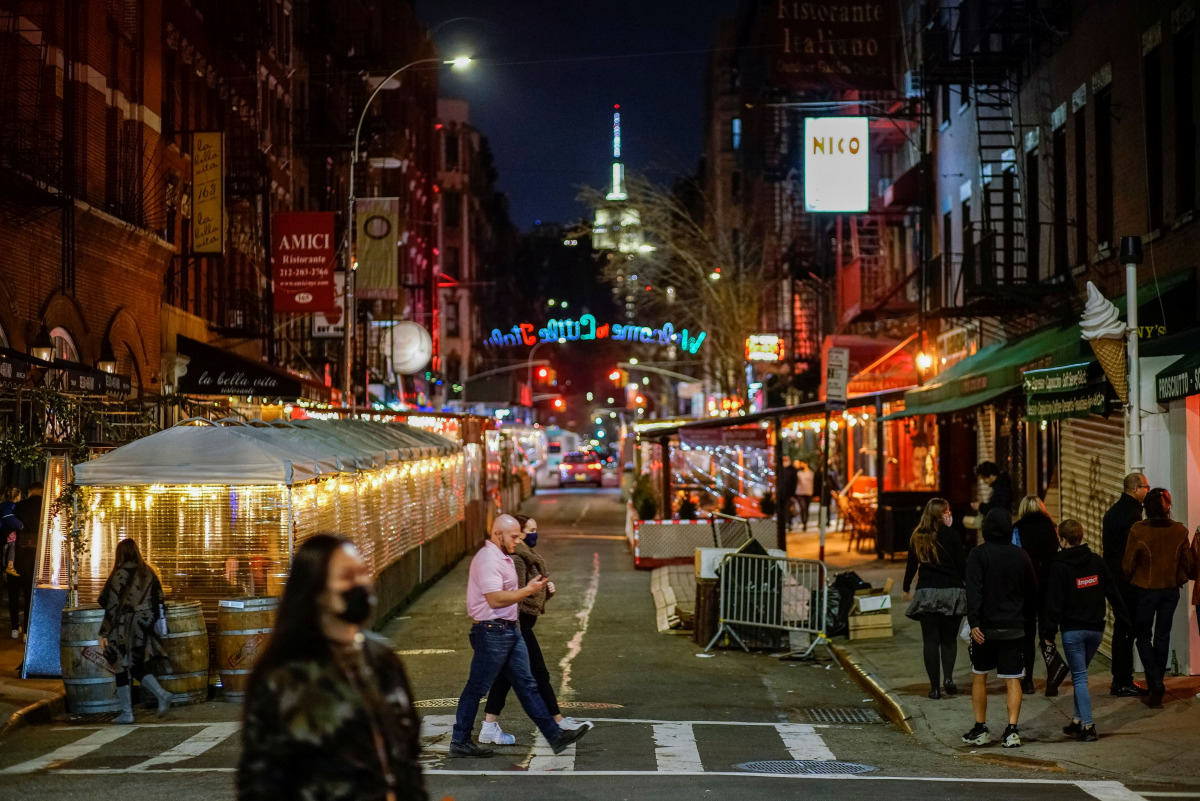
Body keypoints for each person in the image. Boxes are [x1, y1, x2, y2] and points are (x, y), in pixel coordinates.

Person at [237, 534, 425, 801]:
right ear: (317, 592)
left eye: (363, 573)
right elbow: (260, 780)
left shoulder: (382, 658)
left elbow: (408, 755)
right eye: (347, 576)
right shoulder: (285, 673)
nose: (360, 583)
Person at [451, 515, 592, 757]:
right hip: (491, 631)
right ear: (497, 534)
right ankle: (460, 739)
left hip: (509, 629)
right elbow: (494, 598)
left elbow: (512, 597)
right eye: (514, 536)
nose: (519, 540)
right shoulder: (488, 560)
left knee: (527, 684)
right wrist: (526, 590)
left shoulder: (504, 558)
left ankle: (555, 736)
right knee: (477, 687)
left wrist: (534, 592)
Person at [1042, 519, 1130, 742]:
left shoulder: (1060, 567)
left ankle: (1088, 726)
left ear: (1062, 539)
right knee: (1079, 674)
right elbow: (1113, 592)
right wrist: (1124, 619)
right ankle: (1076, 721)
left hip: (1073, 632)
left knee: (1080, 678)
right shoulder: (1096, 562)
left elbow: (1054, 604)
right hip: (1095, 632)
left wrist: (1048, 634)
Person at [962, 508, 1037, 749]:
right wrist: (1026, 621)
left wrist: (974, 622)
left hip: (985, 628)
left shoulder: (977, 554)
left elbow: (973, 591)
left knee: (980, 676)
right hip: (1014, 627)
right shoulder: (1020, 555)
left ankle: (980, 728)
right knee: (1012, 678)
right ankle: (1012, 730)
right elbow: (1032, 591)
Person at [1122, 488, 1195, 708]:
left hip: (1145, 589)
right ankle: (1157, 683)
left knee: (1142, 635)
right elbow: (1189, 565)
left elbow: (1127, 565)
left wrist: (1135, 577)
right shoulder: (1179, 531)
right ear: (1168, 507)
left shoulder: (1138, 530)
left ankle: (1155, 682)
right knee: (1162, 636)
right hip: (1170, 590)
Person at [97, 538, 174, 723]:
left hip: (124, 627)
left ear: (120, 554)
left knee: (121, 665)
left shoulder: (119, 574)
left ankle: (127, 712)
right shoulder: (148, 572)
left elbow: (111, 605)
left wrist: (103, 632)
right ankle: (161, 694)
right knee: (137, 664)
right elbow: (160, 598)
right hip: (143, 626)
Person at [902, 498, 967, 699]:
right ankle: (948, 679)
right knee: (949, 640)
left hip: (927, 592)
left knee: (930, 641)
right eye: (948, 511)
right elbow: (962, 565)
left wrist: (906, 587)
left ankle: (935, 688)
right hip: (951, 591)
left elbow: (911, 565)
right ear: (943, 515)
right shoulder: (953, 535)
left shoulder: (918, 536)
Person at [1102, 472, 1150, 697]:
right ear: (1135, 489)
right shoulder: (1132, 515)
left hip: (1113, 579)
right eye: (1146, 487)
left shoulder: (1113, 512)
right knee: (1126, 629)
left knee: (1123, 627)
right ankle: (1123, 680)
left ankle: (1120, 678)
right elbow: (1132, 553)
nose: (1147, 491)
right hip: (1126, 581)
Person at [1013, 495, 1059, 694]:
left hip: (1027, 588)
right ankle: (1052, 680)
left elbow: (1015, 556)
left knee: (1027, 635)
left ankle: (1029, 680)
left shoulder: (1018, 529)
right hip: (1048, 587)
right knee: (1047, 635)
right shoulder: (1051, 527)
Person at [7, 482, 41, 639]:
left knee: (14, 591)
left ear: (30, 491)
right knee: (30, 592)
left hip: (17, 552)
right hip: (36, 552)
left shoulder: (20, 507)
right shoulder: (46, 506)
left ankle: (15, 628)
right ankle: (27, 630)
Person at [2, 487, 23, 579]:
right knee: (12, 546)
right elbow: (8, 517)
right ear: (17, 496)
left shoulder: (5, 504)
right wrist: (21, 525)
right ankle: (10, 566)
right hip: (7, 531)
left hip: (7, 530)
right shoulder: (9, 505)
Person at [795, 461, 815, 530]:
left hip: (808, 493)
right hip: (800, 493)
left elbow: (814, 483)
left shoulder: (811, 473)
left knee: (806, 508)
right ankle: (803, 522)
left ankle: (805, 522)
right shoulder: (798, 473)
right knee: (803, 507)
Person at [778, 455, 797, 524]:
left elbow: (794, 483)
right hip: (781, 494)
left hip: (789, 494)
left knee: (788, 509)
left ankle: (788, 523)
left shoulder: (792, 470)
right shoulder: (780, 469)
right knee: (782, 510)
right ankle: (784, 523)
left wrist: (793, 495)